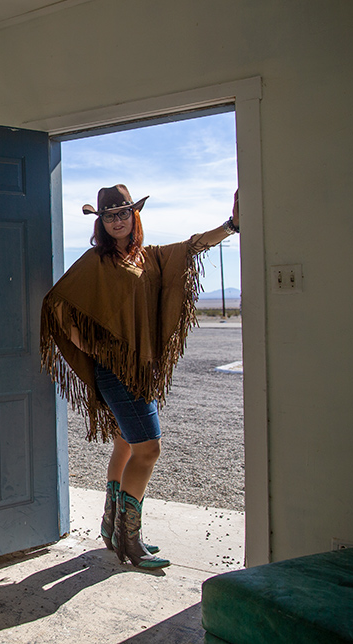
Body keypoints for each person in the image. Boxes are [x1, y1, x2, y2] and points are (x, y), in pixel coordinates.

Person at [40, 184, 239, 570]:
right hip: (116, 370)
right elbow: (57, 305)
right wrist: (91, 347)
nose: (117, 220)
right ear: (101, 222)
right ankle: (131, 542)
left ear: (134, 216)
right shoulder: (95, 262)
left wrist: (231, 225)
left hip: (139, 368)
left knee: (126, 445)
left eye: (123, 213)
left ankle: (112, 528)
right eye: (109, 215)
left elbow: (195, 245)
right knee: (149, 449)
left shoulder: (150, 258)